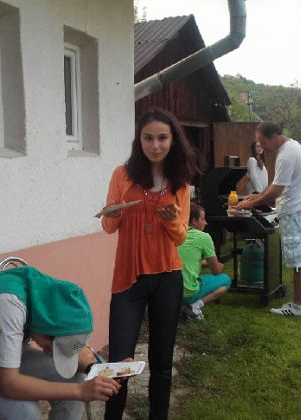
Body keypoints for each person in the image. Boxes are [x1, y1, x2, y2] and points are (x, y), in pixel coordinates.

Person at [100, 108, 197, 419]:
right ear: (139, 140)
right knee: (119, 365)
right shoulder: (122, 174)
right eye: (148, 138)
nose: (155, 145)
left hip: (168, 277)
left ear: (172, 140)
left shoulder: (180, 182)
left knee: (162, 362)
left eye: (162, 138)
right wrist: (113, 213)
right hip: (128, 278)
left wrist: (170, 221)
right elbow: (108, 226)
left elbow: (180, 237)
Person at [0, 266, 121, 420]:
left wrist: (99, 370)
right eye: (51, 347)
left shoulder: (45, 298)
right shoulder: (8, 304)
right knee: (25, 412)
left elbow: (64, 342)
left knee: (74, 377)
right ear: (47, 329)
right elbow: (8, 385)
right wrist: (80, 392)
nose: (48, 353)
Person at [233, 122, 301, 317]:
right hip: (300, 209)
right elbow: (277, 185)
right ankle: (298, 303)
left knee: (299, 261)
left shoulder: (286, 154)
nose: (262, 146)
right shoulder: (293, 146)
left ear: (274, 136)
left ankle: (297, 306)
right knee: (300, 258)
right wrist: (256, 197)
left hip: (295, 211)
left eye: (263, 142)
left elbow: (277, 190)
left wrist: (251, 203)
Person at [177, 203, 231, 321]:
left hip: (166, 292)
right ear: (193, 221)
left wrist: (201, 263)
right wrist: (220, 266)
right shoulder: (203, 237)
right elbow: (216, 271)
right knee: (225, 280)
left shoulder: (173, 233)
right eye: (203, 219)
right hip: (186, 293)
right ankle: (195, 307)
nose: (206, 223)